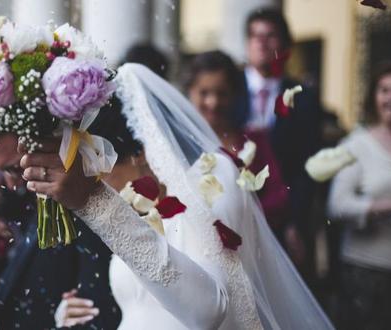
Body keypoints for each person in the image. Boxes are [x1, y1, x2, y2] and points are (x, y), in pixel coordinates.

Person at [22, 63, 333, 329]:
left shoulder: (215, 179)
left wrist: (95, 201)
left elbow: (208, 310)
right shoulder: (145, 209)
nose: (101, 184)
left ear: (137, 155)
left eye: (98, 171)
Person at [0, 133, 120, 329]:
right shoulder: (13, 203)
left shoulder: (83, 204)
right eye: (0, 172)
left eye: (15, 168)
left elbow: (95, 305)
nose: (10, 184)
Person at [328, 60, 391, 330]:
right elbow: (337, 205)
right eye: (384, 90)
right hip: (366, 276)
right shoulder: (356, 145)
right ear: (374, 96)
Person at [233, 7, 322, 274]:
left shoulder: (303, 96)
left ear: (283, 44)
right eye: (254, 35)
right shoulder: (228, 90)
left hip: (285, 218)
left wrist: (295, 220)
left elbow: (308, 163)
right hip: (235, 210)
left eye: (270, 35)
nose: (261, 42)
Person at [185, 50, 289, 229]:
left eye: (222, 93)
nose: (213, 102)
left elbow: (277, 196)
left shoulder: (254, 141)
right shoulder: (179, 142)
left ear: (234, 94)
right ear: (189, 92)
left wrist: (240, 214)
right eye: (204, 93)